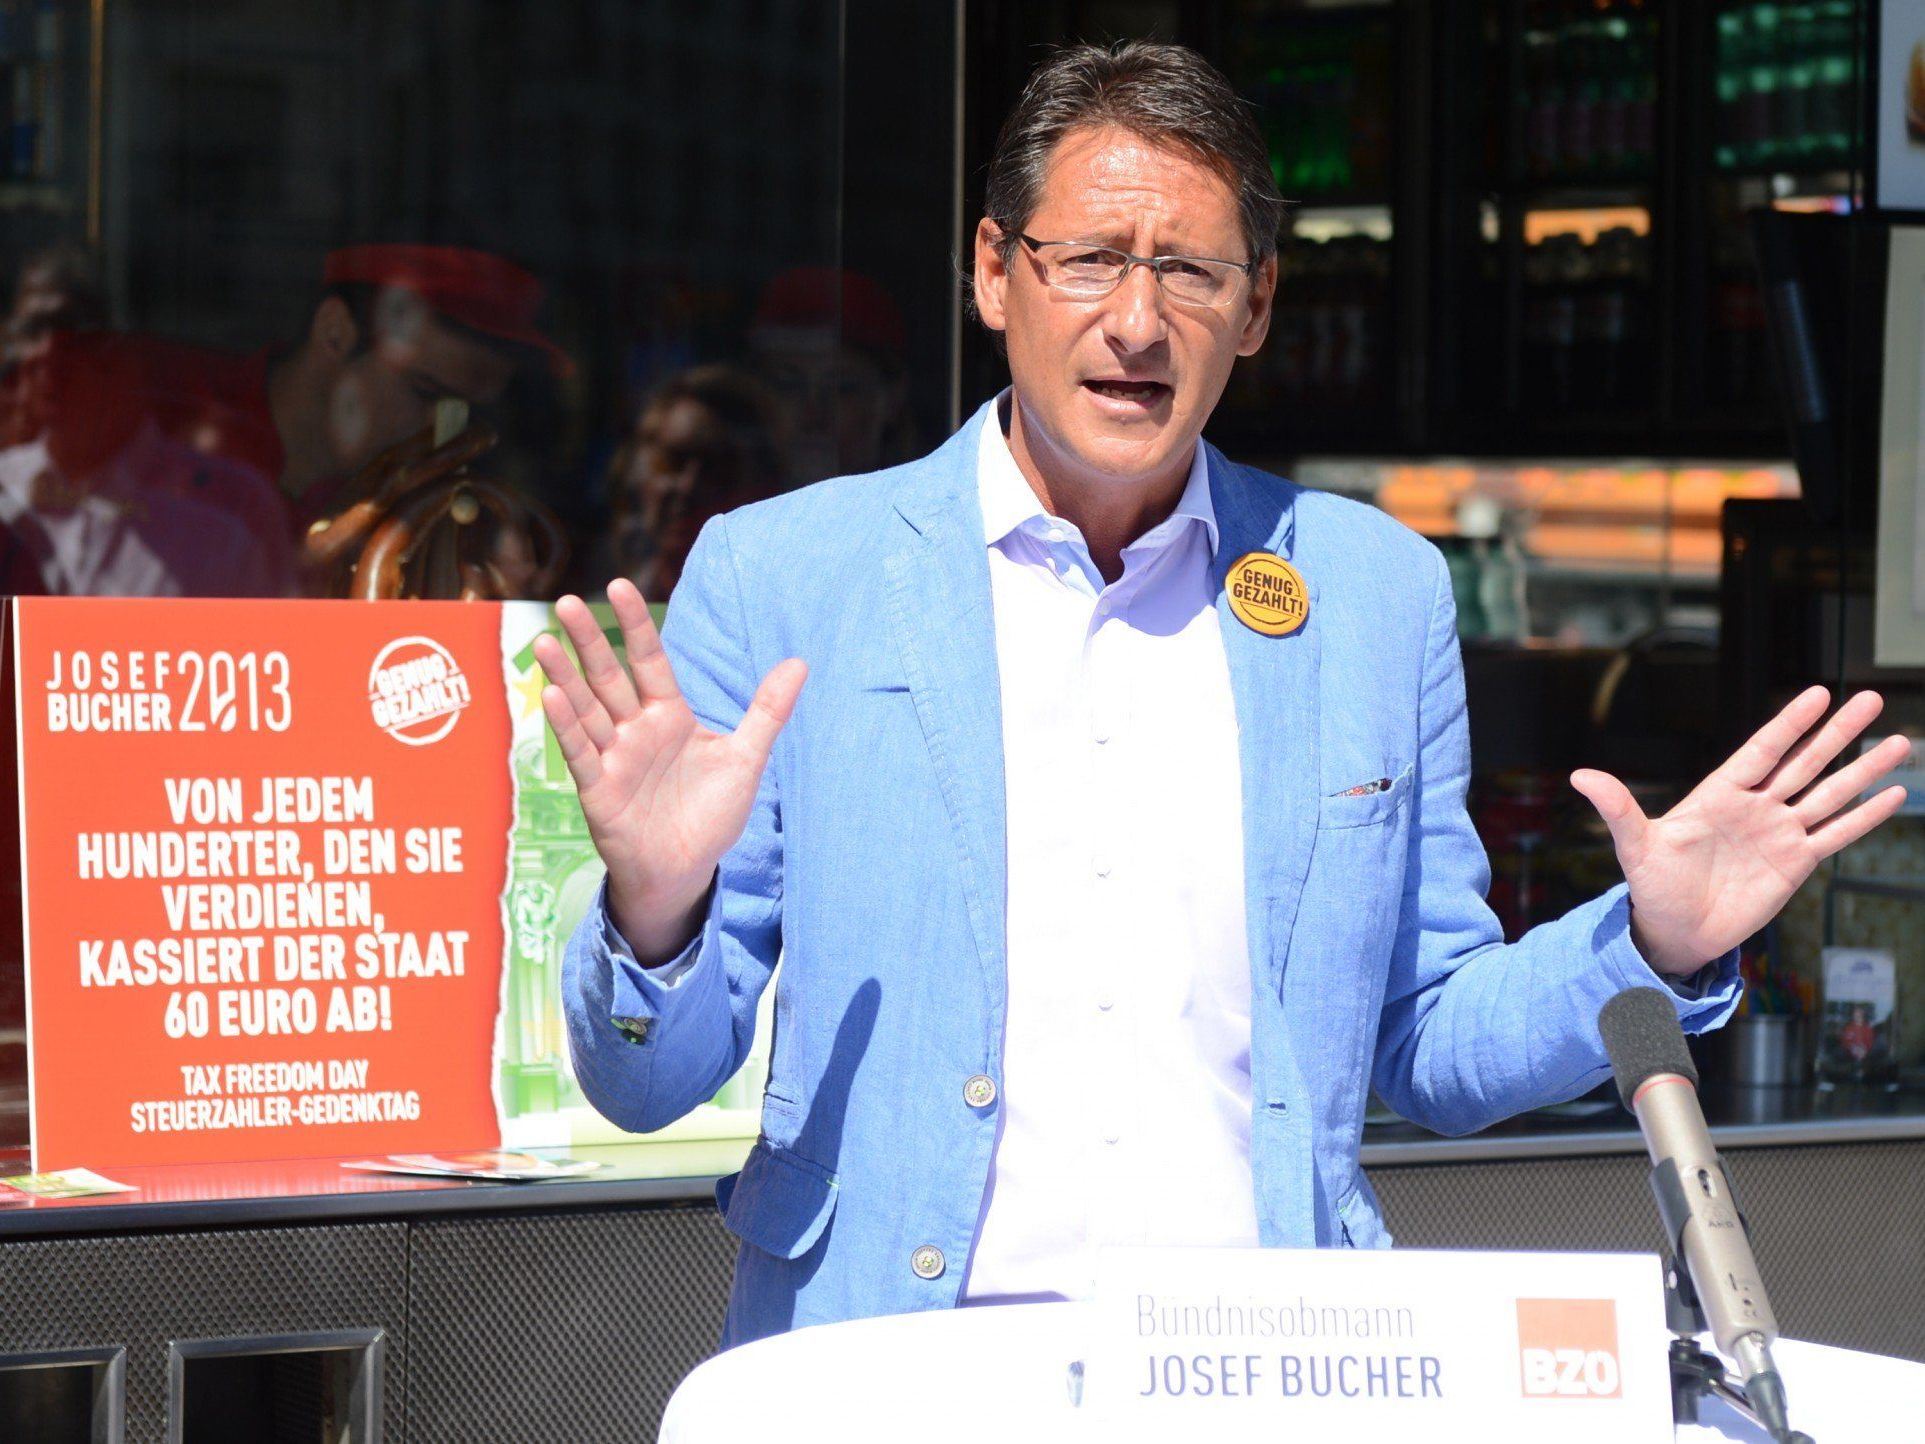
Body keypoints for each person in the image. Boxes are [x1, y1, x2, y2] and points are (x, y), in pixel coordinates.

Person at [538, 42, 1909, 1347]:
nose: (1136, 321)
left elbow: (1423, 1041)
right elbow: (647, 1084)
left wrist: (1646, 948)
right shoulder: (788, 573)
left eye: (1189, 272)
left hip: (1259, 1368)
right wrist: (656, 910)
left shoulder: (1371, 595)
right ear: (993, 274)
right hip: (894, 1363)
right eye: (1086, 260)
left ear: (1255, 309)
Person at [0, 243, 565, 597]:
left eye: (472, 412)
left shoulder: (446, 530)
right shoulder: (144, 405)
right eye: (427, 393)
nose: (450, 435)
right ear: (337, 332)